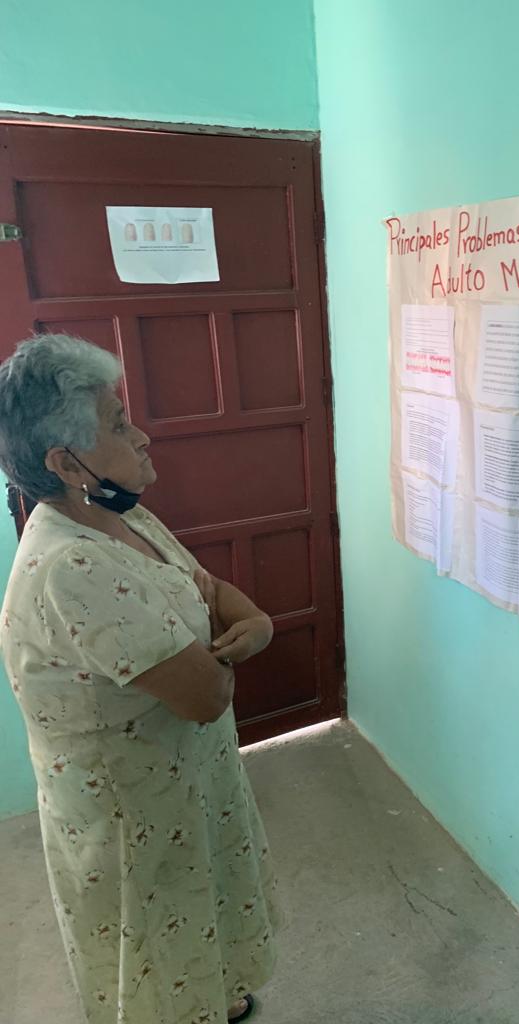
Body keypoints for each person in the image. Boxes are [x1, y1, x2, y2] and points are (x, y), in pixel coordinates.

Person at [0, 334, 280, 1024]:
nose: (142, 436)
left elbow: (203, 587)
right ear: (66, 463)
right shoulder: (73, 567)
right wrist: (220, 652)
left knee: (200, 903)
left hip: (182, 782)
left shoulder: (120, 514)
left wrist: (255, 621)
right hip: (132, 809)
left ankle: (213, 993)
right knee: (157, 933)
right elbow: (205, 696)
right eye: (119, 424)